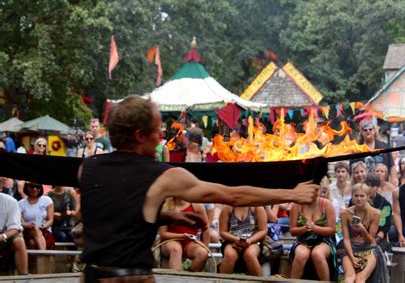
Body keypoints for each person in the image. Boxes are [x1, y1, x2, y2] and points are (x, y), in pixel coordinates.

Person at [79, 94, 318, 282]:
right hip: (132, 280)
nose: (162, 134)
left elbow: (115, 211)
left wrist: (165, 215)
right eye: (156, 129)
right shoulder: (162, 176)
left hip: (91, 278)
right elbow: (232, 195)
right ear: (140, 135)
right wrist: (292, 193)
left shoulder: (87, 169)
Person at [289, 180, 337, 280]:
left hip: (324, 240)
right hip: (303, 240)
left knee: (318, 254)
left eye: (316, 190)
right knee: (301, 255)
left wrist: (315, 228)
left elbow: (332, 230)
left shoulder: (327, 205)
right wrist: (304, 228)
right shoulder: (296, 205)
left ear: (320, 190)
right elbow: (292, 231)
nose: (313, 193)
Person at [340, 183, 387, 283]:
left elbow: (370, 240)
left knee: (360, 279)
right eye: (356, 196)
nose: (359, 199)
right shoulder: (345, 214)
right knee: (349, 278)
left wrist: (362, 230)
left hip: (368, 248)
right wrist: (352, 257)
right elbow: (346, 239)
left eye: (362, 196)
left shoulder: (375, 213)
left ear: (368, 197)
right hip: (350, 248)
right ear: (352, 197)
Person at [158, 198, 209, 272]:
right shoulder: (166, 207)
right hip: (170, 241)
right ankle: (177, 279)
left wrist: (205, 246)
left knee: (202, 253)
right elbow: (163, 234)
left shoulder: (197, 206)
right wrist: (181, 236)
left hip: (190, 242)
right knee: (176, 249)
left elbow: (206, 229)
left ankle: (189, 276)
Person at [219, 205, 267, 276]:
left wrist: (250, 241)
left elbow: (263, 230)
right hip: (232, 241)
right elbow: (223, 232)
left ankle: (259, 280)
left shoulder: (257, 207)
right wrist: (235, 239)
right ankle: (221, 280)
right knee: (230, 255)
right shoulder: (227, 208)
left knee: (250, 254)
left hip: (253, 241)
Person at [0, 177, 28, 275]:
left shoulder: (11, 201)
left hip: (6, 234)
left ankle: (24, 275)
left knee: (19, 240)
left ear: (0, 188)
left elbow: (15, 227)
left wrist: (3, 236)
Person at [18, 182, 55, 250]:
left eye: (37, 187)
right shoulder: (21, 203)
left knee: (33, 243)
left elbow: (51, 220)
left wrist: (43, 226)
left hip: (45, 229)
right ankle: (43, 255)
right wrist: (28, 225)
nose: (34, 189)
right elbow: (19, 221)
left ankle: (41, 256)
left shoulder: (47, 200)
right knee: (35, 230)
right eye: (32, 187)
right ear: (27, 187)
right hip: (28, 231)